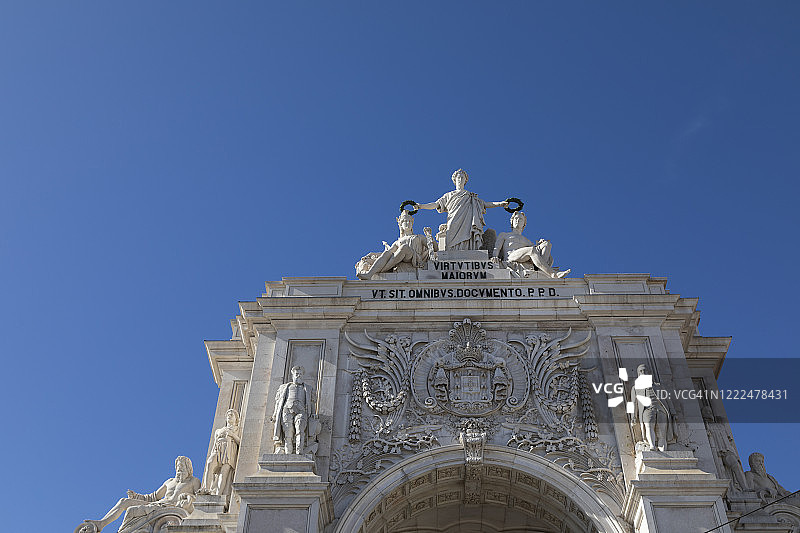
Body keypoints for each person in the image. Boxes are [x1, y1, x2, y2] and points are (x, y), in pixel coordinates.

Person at [78, 456, 200, 533]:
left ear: (188, 469)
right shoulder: (169, 481)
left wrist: (189, 498)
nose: (179, 470)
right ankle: (101, 523)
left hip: (170, 507)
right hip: (159, 504)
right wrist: (136, 496)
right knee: (124, 501)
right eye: (177, 467)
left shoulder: (193, 481)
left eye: (182, 467)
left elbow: (200, 499)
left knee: (131, 511)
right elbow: (154, 497)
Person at [414, 169, 508, 251]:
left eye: (462, 178)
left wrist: (500, 204)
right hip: (453, 220)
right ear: (454, 180)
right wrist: (421, 206)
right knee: (450, 239)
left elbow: (485, 204)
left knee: (468, 237)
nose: (460, 179)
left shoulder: (471, 196)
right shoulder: (448, 195)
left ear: (465, 180)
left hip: (467, 221)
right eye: (458, 177)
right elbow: (435, 204)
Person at [356, 210, 433, 279]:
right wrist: (373, 254)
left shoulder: (419, 237)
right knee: (387, 253)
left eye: (410, 221)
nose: (408, 223)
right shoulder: (398, 241)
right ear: (401, 224)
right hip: (402, 256)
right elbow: (389, 252)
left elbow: (434, 248)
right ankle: (369, 274)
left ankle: (384, 269)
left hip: (415, 257)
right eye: (405, 221)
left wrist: (429, 236)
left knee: (404, 247)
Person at [492, 211, 570, 278]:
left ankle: (541, 270)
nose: (518, 221)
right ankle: (553, 274)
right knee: (531, 250)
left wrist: (541, 244)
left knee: (547, 244)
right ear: (512, 221)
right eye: (516, 218)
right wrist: (495, 256)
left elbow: (537, 252)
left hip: (524, 256)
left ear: (524, 224)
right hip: (510, 257)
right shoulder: (504, 235)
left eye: (520, 219)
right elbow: (497, 248)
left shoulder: (527, 241)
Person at [630, 364, 675, 451]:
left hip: (661, 410)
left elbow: (667, 399)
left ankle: (663, 449)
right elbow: (634, 403)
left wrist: (673, 412)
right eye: (641, 371)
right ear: (638, 374)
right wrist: (633, 416)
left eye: (645, 370)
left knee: (662, 432)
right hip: (647, 410)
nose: (643, 372)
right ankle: (652, 446)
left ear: (649, 372)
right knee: (648, 426)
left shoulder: (658, 386)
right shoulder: (635, 388)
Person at [272, 366, 314, 454]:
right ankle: (288, 452)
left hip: (301, 410)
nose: (299, 376)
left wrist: (313, 413)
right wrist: (275, 414)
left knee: (300, 428)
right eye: (297, 374)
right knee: (288, 432)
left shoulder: (308, 388)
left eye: (300, 374)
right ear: (293, 375)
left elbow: (312, 402)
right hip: (287, 410)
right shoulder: (284, 387)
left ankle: (300, 451)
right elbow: (278, 402)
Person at [201, 409, 241, 499]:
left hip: (230, 450)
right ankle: (206, 488)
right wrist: (213, 452)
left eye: (231, 415)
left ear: (236, 419)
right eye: (228, 415)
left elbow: (240, 442)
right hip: (218, 449)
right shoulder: (219, 430)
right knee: (210, 463)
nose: (229, 416)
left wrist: (232, 435)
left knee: (224, 472)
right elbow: (214, 443)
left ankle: (218, 495)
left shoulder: (238, 429)